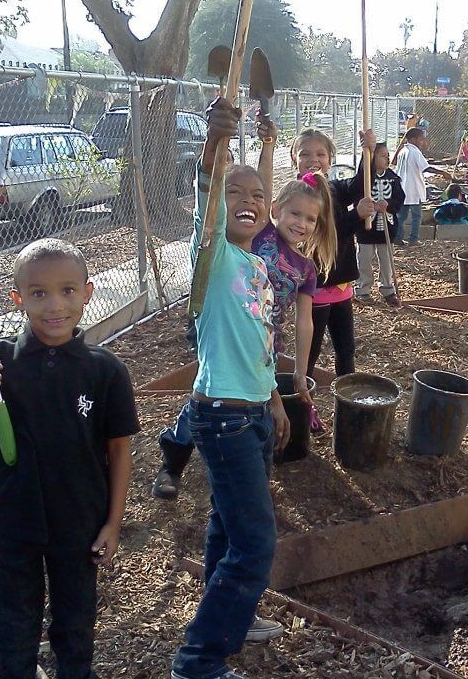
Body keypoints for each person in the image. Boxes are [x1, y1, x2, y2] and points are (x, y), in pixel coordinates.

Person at [0, 238, 139, 679]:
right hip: (9, 523)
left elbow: (119, 450)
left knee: (75, 625)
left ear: (88, 292)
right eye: (38, 293)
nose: (54, 305)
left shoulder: (105, 370)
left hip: (78, 522)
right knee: (15, 627)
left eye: (67, 290)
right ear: (18, 298)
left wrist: (113, 524)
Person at [168, 98, 292, 679]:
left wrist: (273, 399)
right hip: (222, 418)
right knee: (255, 545)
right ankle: (199, 660)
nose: (249, 201)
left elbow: (260, 341)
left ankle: (231, 621)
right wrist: (216, 146)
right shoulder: (212, 258)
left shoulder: (258, 266)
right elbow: (209, 198)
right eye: (235, 193)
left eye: (259, 196)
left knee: (227, 523)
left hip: (255, 414)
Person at [154, 168, 338, 505]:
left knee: (241, 393)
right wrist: (267, 145)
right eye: (294, 213)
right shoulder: (262, 234)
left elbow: (305, 321)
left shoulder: (305, 268)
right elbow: (250, 193)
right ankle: (175, 455)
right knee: (213, 386)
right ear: (276, 211)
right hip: (226, 321)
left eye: (309, 219)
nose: (300, 223)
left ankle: (247, 473)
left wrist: (300, 370)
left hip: (263, 333)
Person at [291, 127, 376, 381]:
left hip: (340, 287)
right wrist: (355, 216)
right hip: (314, 289)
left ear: (330, 160)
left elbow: (362, 183)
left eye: (321, 154)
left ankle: (347, 396)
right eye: (304, 154)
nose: (313, 159)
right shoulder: (296, 196)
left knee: (346, 348)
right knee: (310, 350)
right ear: (293, 159)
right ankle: (302, 398)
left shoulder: (336, 189)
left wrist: (367, 152)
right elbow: (321, 233)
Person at [356, 142, 405, 307]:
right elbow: (357, 196)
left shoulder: (393, 177)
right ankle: (363, 289)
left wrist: (388, 205)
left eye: (388, 155)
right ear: (372, 157)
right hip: (366, 229)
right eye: (383, 155)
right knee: (364, 260)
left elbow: (399, 198)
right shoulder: (364, 178)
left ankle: (387, 288)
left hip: (386, 227)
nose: (387, 158)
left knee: (386, 260)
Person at [393, 127, 452, 245]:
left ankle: (397, 238)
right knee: (416, 216)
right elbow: (426, 167)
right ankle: (413, 239)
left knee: (401, 216)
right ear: (414, 139)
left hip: (402, 189)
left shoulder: (402, 152)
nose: (423, 142)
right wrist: (442, 172)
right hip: (413, 190)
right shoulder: (414, 152)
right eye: (421, 139)